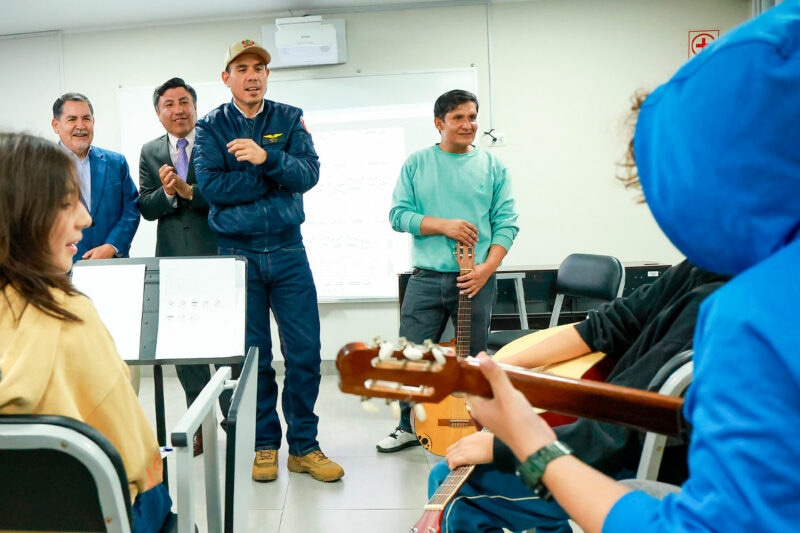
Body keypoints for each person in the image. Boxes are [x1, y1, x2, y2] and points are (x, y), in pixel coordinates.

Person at [463, 3, 800, 532]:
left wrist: (526, 443)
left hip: (624, 471)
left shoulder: (752, 316)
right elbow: (609, 325)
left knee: (463, 496)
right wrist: (506, 371)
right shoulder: (706, 270)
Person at [428, 259, 727, 532]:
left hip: (628, 457)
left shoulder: (716, 303)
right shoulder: (701, 266)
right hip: (612, 434)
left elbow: (615, 434)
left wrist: (505, 444)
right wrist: (504, 366)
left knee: (450, 481)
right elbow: (606, 325)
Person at [0, 132, 172, 533]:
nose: (86, 218)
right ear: (23, 216)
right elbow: (135, 456)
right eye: (66, 204)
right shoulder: (67, 313)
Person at [194, 38, 343, 483]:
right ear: (227, 78)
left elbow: (309, 175)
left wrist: (266, 156)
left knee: (304, 353)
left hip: (287, 250)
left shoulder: (289, 118)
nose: (252, 75)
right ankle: (264, 446)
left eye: (259, 67)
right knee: (253, 358)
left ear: (267, 75)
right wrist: (271, 177)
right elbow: (211, 190)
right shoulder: (210, 128)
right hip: (236, 254)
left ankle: (304, 447)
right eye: (242, 68)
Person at [378, 89, 519, 452]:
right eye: (458, 118)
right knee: (412, 357)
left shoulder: (493, 166)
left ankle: (476, 427)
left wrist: (487, 269)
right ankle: (408, 426)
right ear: (439, 123)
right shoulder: (417, 163)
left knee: (473, 359)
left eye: (472, 117)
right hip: (426, 277)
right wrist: (444, 225)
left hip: (475, 279)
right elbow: (398, 215)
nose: (467, 124)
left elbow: (507, 223)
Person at [138, 77, 223, 457]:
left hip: (219, 254)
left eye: (184, 101)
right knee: (187, 349)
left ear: (195, 106)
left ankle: (232, 420)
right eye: (169, 104)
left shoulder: (215, 140)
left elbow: (226, 195)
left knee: (225, 345)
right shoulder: (149, 151)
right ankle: (199, 425)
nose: (178, 109)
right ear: (159, 114)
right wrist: (168, 193)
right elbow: (145, 206)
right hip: (173, 259)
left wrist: (191, 192)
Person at [51, 92, 140, 262]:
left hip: (112, 264)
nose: (81, 126)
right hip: (61, 269)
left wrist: (112, 245)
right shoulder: (40, 167)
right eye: (72, 119)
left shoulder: (116, 162)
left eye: (86, 118)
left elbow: (132, 207)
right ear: (56, 125)